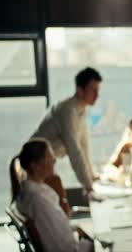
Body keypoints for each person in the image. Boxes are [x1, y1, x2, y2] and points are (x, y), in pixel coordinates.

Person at [9, 138, 94, 252]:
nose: (54, 160)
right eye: (50, 157)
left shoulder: (28, 192)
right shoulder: (38, 199)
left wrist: (76, 230)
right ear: (35, 165)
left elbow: (55, 231)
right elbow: (61, 246)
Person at [32, 67, 102, 195]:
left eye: (98, 90)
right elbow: (74, 150)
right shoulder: (68, 110)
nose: (97, 95)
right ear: (80, 90)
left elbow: (84, 146)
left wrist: (91, 176)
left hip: (45, 164)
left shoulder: (81, 110)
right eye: (93, 90)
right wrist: (88, 185)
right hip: (35, 166)